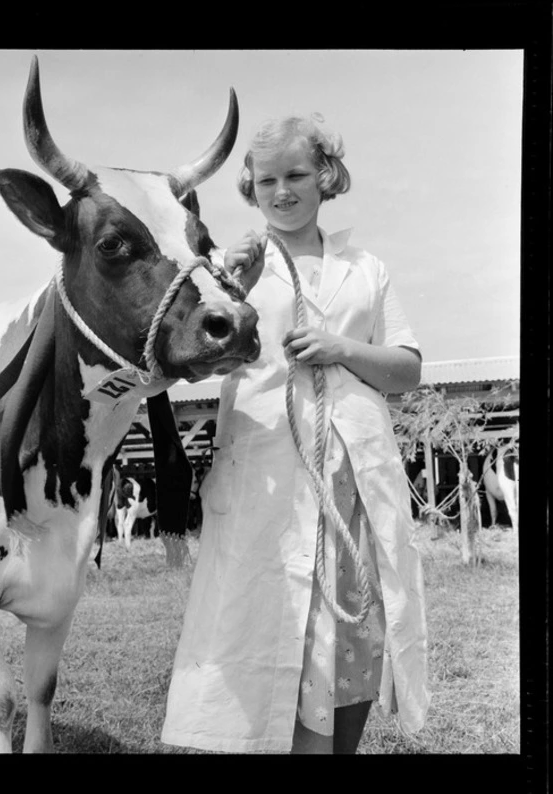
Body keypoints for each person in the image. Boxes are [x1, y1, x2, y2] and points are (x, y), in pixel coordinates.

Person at [160, 112, 430, 754]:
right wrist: (238, 290)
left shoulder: (366, 268)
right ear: (249, 187)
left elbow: (407, 369)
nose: (282, 191)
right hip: (269, 484)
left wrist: (339, 347)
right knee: (271, 631)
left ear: (326, 176)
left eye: (297, 175)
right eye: (266, 179)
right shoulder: (227, 271)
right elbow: (189, 362)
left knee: (357, 628)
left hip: (351, 485)